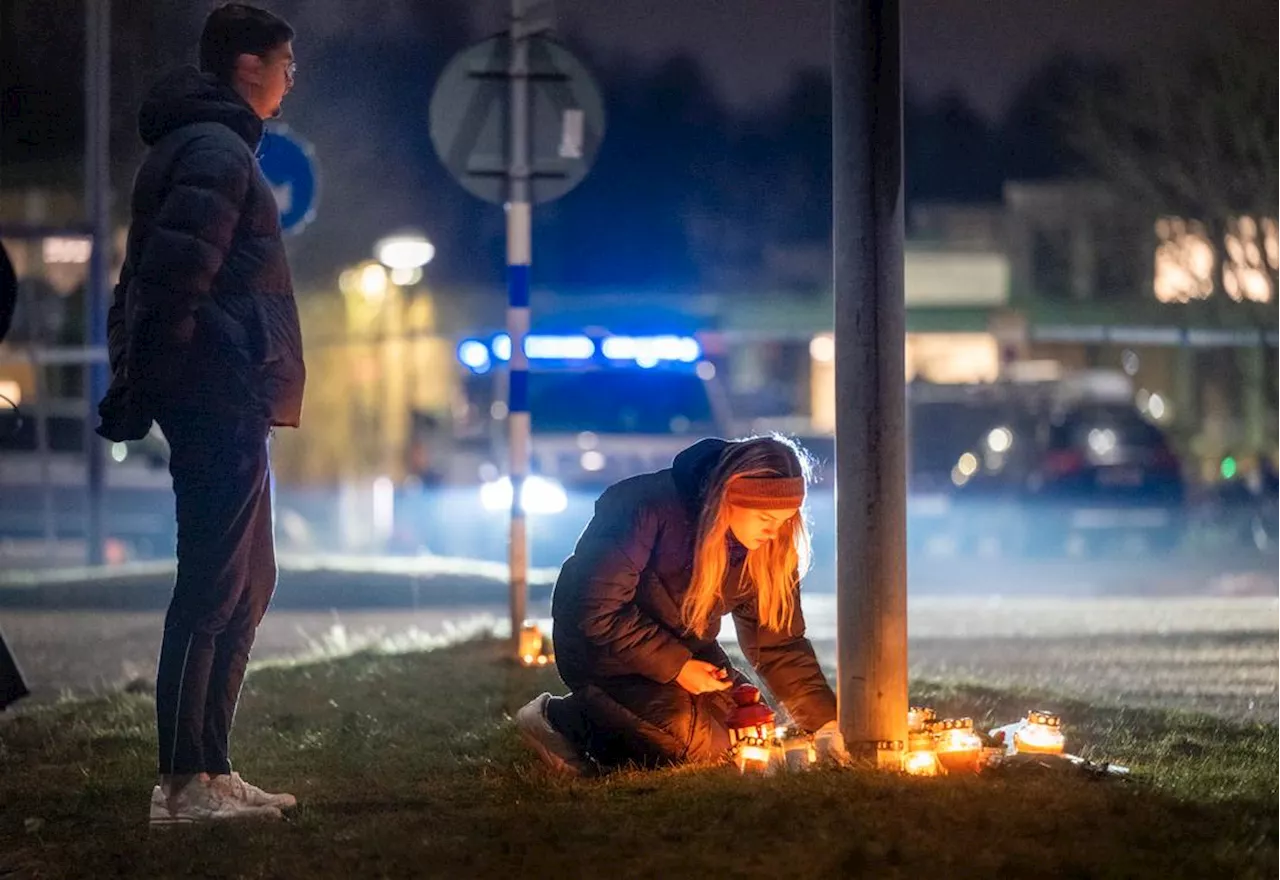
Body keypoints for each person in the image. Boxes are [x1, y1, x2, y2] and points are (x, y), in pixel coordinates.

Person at [102, 3, 306, 825]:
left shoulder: (211, 148)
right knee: (213, 588)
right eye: (286, 63)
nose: (292, 79)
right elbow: (176, 277)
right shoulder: (215, 152)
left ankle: (212, 771)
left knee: (248, 584)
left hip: (227, 394)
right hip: (217, 396)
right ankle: (183, 783)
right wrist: (171, 379)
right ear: (248, 67)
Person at [516, 436, 846, 774]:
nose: (775, 533)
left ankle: (623, 723)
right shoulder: (643, 507)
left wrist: (827, 725)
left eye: (785, 520)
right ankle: (562, 721)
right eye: (765, 517)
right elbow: (596, 610)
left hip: (685, 651)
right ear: (729, 497)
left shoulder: (764, 548)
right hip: (601, 650)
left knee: (743, 730)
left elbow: (779, 643)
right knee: (688, 741)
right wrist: (679, 667)